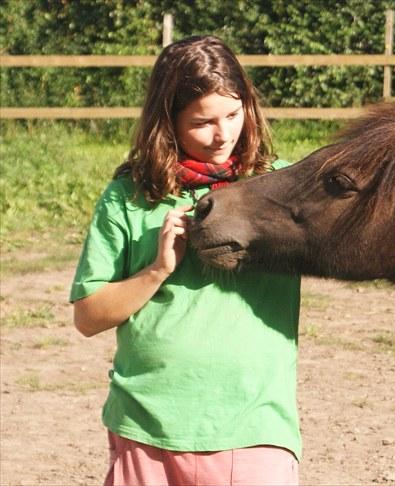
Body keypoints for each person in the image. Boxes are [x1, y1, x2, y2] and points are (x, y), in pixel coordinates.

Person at [70, 35, 301, 485]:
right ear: (168, 122)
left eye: (233, 115)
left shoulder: (282, 189)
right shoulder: (128, 199)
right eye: (202, 122)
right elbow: (88, 317)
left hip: (254, 427)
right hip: (147, 425)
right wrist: (157, 270)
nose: (223, 136)